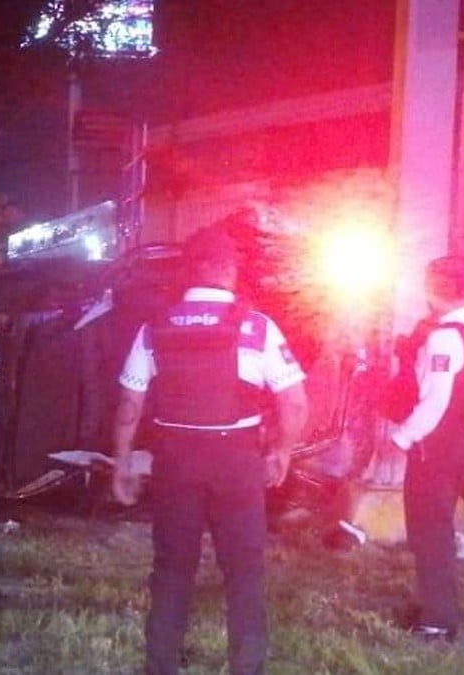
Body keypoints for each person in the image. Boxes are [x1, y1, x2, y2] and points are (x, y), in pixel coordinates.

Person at [111, 225, 308, 675]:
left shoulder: (155, 327)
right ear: (230, 269)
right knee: (244, 570)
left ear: (189, 270)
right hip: (236, 461)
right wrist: (282, 451)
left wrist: (122, 463)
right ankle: (247, 666)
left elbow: (129, 404)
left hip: (175, 459)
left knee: (172, 568)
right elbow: (295, 402)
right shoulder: (256, 327)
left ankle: (161, 665)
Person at [389, 254, 464, 642]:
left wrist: (404, 436)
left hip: (439, 449)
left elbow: (436, 401)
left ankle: (437, 620)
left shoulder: (444, 337)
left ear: (434, 291)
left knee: (431, 532)